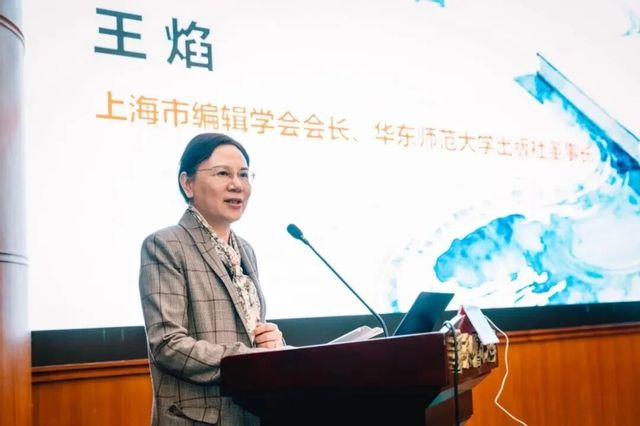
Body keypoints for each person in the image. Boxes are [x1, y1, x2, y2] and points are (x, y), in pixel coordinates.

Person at [139, 133, 284, 425]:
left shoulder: (245, 250)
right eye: (222, 173)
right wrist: (248, 359)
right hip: (199, 419)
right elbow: (167, 344)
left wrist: (273, 342)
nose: (237, 184)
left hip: (251, 413)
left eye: (244, 174)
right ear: (187, 183)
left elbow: (248, 330)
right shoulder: (166, 244)